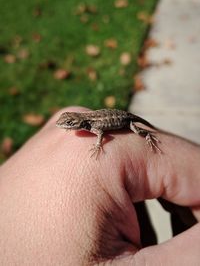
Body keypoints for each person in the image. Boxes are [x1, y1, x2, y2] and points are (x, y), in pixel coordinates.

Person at [0, 106, 200, 265]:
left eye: (69, 124)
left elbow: (103, 136)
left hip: (127, 120)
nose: (66, 127)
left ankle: (148, 136)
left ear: (79, 122)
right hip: (115, 115)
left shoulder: (94, 126)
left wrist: (98, 145)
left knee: (139, 129)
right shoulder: (86, 122)